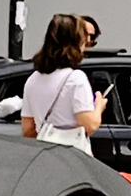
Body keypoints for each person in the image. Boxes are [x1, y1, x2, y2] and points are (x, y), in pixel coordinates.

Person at [20, 13, 103, 149]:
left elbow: (28, 129)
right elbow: (90, 125)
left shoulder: (33, 80)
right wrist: (99, 105)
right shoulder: (76, 79)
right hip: (72, 155)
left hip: (46, 154)